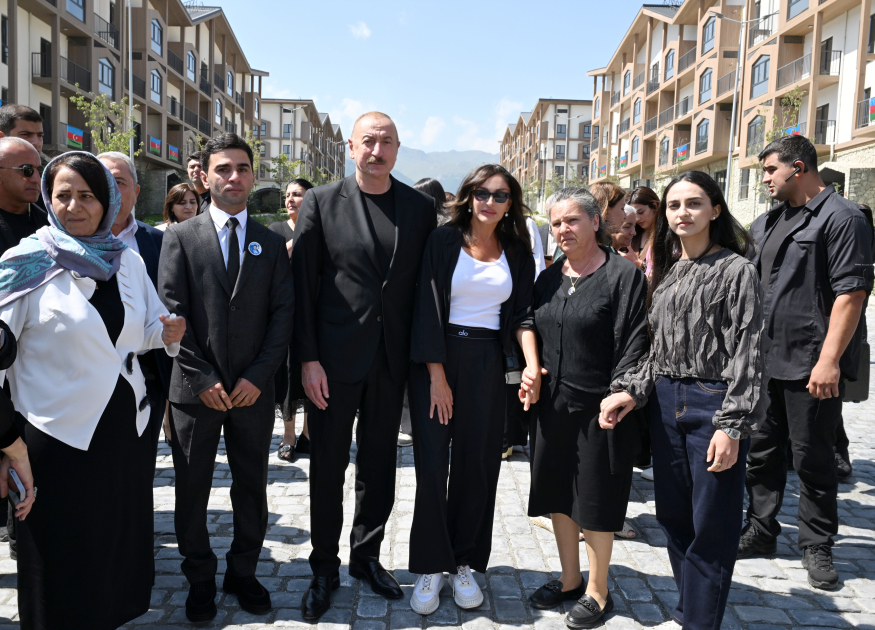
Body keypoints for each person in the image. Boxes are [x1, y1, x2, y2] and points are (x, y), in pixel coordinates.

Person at [0, 151, 186, 630]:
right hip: (54, 440)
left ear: (107, 202)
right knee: (58, 565)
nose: (74, 206)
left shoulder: (126, 260)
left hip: (124, 433)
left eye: (87, 195)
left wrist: (166, 333)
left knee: (111, 557)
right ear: (48, 199)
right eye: (63, 195)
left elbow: (141, 331)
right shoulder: (23, 263)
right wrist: (7, 443)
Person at [600, 170, 766, 630]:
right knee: (674, 518)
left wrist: (732, 426)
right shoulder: (670, 271)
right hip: (665, 403)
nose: (682, 213)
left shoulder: (737, 270)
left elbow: (750, 352)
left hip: (714, 402)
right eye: (674, 205)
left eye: (693, 203)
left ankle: (699, 622)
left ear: (716, 209)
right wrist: (631, 391)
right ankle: (689, 610)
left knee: (712, 524)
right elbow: (658, 349)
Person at [292, 112, 436, 620]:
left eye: (386, 142)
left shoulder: (419, 208)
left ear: (398, 149)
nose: (377, 150)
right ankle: (323, 568)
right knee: (328, 467)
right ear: (351, 147)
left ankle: (366, 557)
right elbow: (303, 285)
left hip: (391, 360)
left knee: (379, 466)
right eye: (368, 141)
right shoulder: (321, 201)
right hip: (331, 362)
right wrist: (307, 358)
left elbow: (426, 286)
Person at [159, 133, 294, 623]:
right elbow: (170, 313)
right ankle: (199, 578)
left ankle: (243, 571)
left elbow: (283, 316)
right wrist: (202, 378)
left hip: (252, 393)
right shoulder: (179, 237)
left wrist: (258, 377)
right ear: (204, 175)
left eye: (242, 168)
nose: (233, 177)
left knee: (251, 486)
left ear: (253, 176)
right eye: (223, 168)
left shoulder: (271, 243)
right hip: (195, 393)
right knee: (192, 488)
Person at [739, 135, 873, 591]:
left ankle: (817, 543)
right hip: (764, 359)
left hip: (810, 362)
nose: (765, 179)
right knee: (761, 453)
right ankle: (761, 529)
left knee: (813, 457)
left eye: (770, 170)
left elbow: (852, 294)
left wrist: (829, 361)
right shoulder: (767, 221)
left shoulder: (843, 217)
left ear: (798, 167)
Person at [407, 165, 537, 615]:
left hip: (487, 363)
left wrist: (531, 366)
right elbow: (426, 307)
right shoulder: (443, 241)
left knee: (477, 464)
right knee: (432, 465)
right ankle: (430, 564)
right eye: (482, 193)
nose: (489, 202)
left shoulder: (516, 250)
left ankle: (463, 561)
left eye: (500, 195)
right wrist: (437, 377)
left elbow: (522, 314)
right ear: (468, 195)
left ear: (510, 203)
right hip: (437, 359)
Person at [521, 188, 648, 627]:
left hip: (602, 409)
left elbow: (635, 342)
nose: (563, 230)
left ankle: (598, 590)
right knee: (558, 492)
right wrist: (530, 372)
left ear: (596, 222)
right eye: (556, 223)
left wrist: (620, 392)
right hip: (552, 406)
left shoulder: (623, 276)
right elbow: (529, 327)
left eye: (572, 220)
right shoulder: (547, 279)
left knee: (595, 498)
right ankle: (570, 577)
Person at [270, 178, 314, 462]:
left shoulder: (321, 229)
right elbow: (269, 269)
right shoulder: (275, 231)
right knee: (287, 374)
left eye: (297, 194)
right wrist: (296, 240)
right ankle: (288, 435)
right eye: (287, 195)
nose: (290, 199)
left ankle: (308, 434)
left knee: (312, 371)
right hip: (285, 313)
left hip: (315, 313)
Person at [627, 186, 660, 278]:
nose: (637, 219)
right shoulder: (633, 232)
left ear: (655, 206)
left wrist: (640, 264)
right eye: (634, 215)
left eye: (641, 212)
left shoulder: (665, 234)